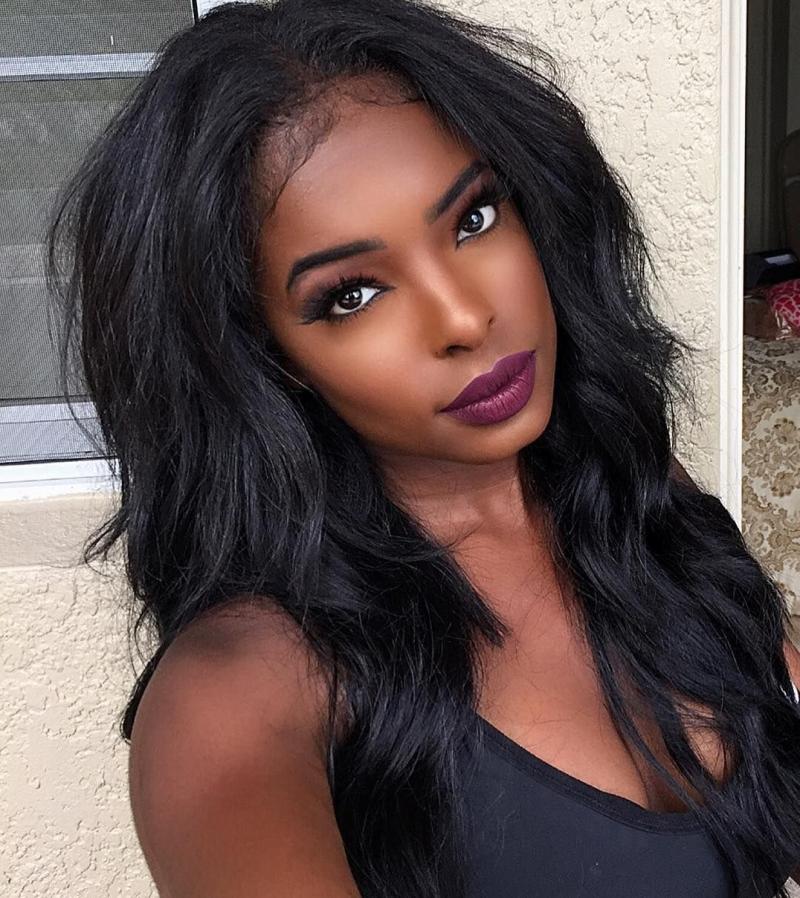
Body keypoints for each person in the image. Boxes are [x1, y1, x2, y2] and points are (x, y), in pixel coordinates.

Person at [45, 1, 800, 896]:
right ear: (264, 359)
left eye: (473, 219)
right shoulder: (241, 693)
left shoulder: (631, 495)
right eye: (352, 295)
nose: (464, 317)